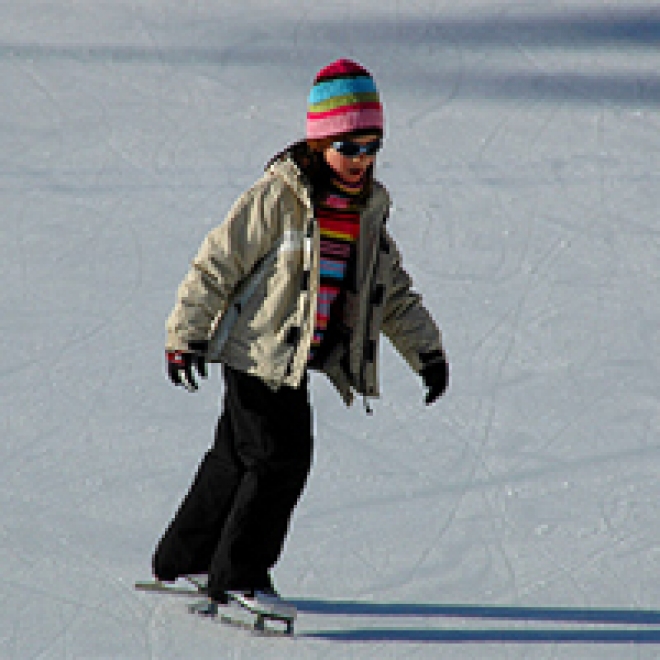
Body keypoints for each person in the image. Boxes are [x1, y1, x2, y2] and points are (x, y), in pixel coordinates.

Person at [152, 58, 449, 616]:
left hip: (293, 358)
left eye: (371, 146)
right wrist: (185, 334)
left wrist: (426, 352)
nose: (361, 160)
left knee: (235, 459)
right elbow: (215, 264)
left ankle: (183, 559)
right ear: (319, 143)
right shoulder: (279, 197)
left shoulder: (367, 212)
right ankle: (239, 578)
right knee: (280, 458)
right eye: (349, 146)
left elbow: (392, 291)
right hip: (256, 353)